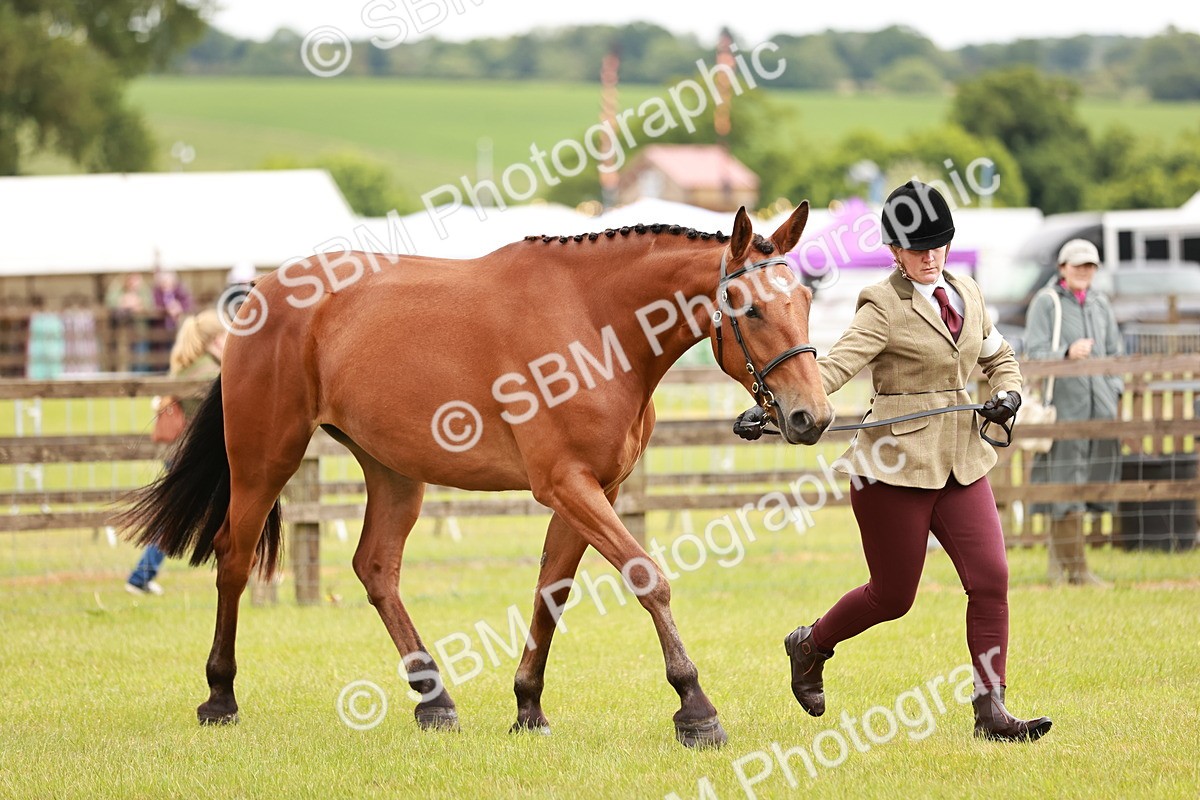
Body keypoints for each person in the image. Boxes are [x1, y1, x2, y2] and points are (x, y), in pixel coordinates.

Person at [780, 180, 1052, 742]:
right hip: (893, 470)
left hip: (961, 464)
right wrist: (782, 404)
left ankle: (991, 710)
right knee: (893, 597)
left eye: (938, 245)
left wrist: (1009, 392)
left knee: (992, 578)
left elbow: (1000, 356)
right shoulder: (882, 304)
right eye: (917, 248)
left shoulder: (969, 293)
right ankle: (810, 645)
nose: (929, 257)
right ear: (895, 251)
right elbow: (836, 366)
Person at [1023, 239, 1122, 586]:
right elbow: (1032, 353)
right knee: (1062, 487)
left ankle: (1069, 570)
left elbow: (1115, 352)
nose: (1084, 272)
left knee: (1086, 487)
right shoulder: (1046, 303)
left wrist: (1114, 389)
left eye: (1090, 266)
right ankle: (1071, 571)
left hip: (1100, 411)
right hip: (1063, 409)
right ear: (1062, 267)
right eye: (1078, 265)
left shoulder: (1100, 303)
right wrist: (1065, 352)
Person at [125, 308, 226, 595]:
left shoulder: (186, 366)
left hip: (179, 455)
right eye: (224, 336)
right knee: (190, 517)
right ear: (214, 340)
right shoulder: (210, 372)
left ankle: (141, 575)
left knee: (177, 517)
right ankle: (140, 576)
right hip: (195, 458)